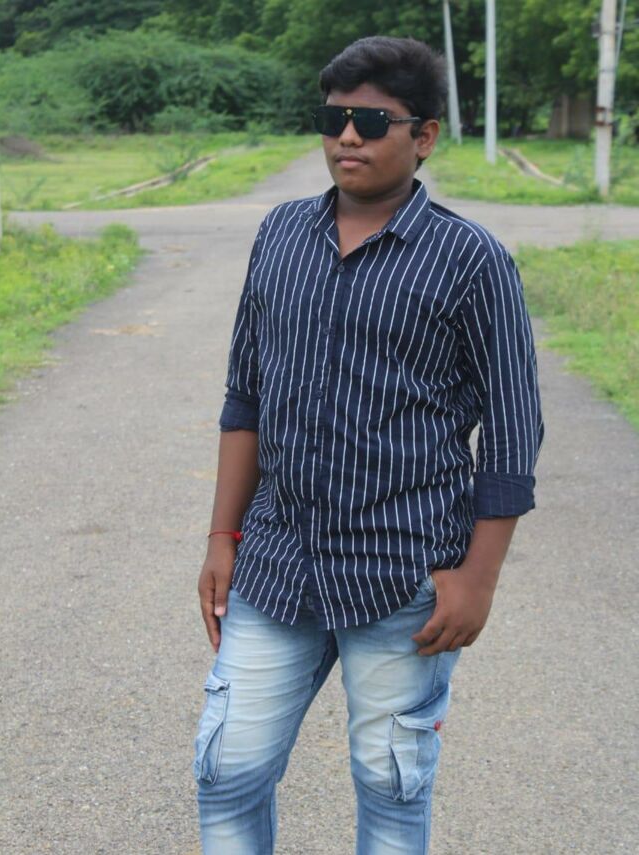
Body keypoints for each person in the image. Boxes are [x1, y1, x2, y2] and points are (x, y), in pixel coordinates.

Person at [192, 35, 544, 855]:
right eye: (334, 119)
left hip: (403, 576)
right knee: (227, 768)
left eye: (373, 121)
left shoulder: (470, 260)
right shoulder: (281, 234)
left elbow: (513, 429)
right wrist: (221, 535)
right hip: (276, 563)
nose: (348, 136)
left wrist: (478, 580)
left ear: (424, 137)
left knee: (390, 788)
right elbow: (245, 395)